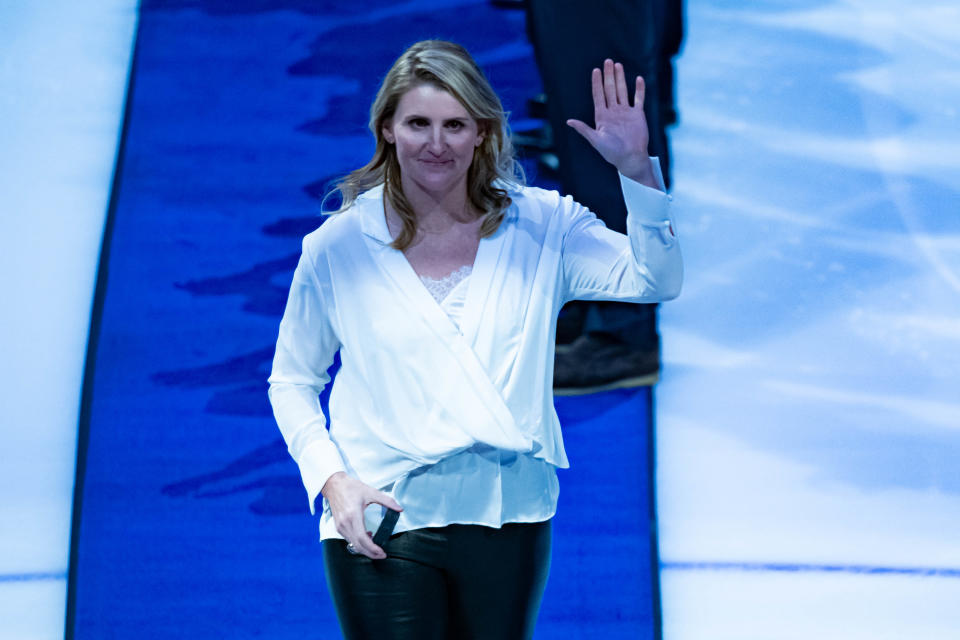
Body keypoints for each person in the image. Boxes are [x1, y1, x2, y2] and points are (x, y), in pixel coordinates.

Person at [267, 40, 681, 640]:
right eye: (418, 124)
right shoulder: (338, 247)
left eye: (455, 125)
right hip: (381, 513)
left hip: (508, 513)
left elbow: (655, 279)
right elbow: (292, 381)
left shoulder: (545, 225)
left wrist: (636, 174)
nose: (437, 144)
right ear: (387, 129)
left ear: (483, 132)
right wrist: (333, 481)